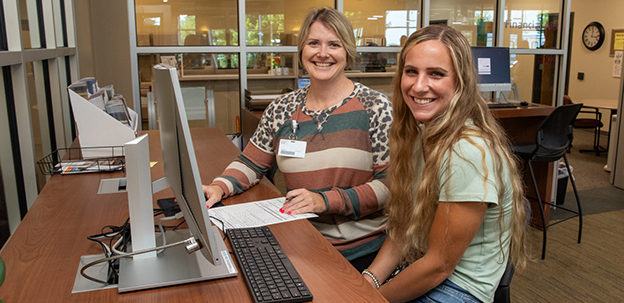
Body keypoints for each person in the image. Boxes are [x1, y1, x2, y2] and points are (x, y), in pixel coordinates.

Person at [202, 7, 392, 272]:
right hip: (299, 242)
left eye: (334, 44)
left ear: (348, 52)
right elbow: (252, 162)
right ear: (302, 50)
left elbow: (391, 185)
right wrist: (219, 186)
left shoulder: (376, 107)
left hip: (360, 252)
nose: (322, 53)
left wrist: (324, 201)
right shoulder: (281, 108)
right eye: (313, 43)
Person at [361, 25, 528, 303]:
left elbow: (440, 264)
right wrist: (368, 282)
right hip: (424, 267)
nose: (418, 86)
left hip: (458, 287)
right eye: (411, 71)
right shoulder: (421, 134)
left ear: (460, 81)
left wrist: (369, 301)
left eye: (436, 74)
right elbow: (403, 228)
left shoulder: (466, 151)